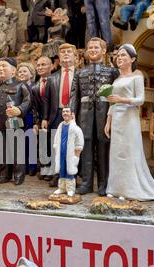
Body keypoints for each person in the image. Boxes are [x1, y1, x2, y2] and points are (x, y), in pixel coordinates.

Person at [104, 44, 154, 201]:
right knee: (117, 152)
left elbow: (140, 100)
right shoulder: (117, 79)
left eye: (123, 55)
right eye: (118, 55)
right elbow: (112, 102)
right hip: (116, 117)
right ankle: (116, 187)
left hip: (129, 117)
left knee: (129, 151)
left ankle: (130, 188)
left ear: (132, 59)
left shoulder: (137, 77)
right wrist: (108, 120)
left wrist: (122, 99)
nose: (120, 58)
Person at [70, 37, 118, 196]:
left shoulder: (112, 71)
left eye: (96, 47)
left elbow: (116, 94)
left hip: (105, 113)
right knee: (86, 147)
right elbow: (74, 96)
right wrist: (71, 115)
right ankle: (86, 182)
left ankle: (104, 183)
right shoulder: (80, 72)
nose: (92, 50)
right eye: (90, 48)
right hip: (84, 114)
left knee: (104, 146)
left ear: (103, 51)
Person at [0, 57, 31, 185]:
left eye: (4, 66)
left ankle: (18, 175)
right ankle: (4, 174)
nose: (0, 69)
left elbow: (29, 101)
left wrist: (20, 109)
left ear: (13, 70)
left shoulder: (21, 85)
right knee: (1, 149)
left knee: (16, 149)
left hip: (14, 122)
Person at [43, 43, 79, 187]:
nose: (65, 54)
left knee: (73, 145)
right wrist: (45, 118)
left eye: (68, 52)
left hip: (74, 114)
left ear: (75, 56)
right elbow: (46, 100)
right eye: (62, 52)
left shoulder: (80, 74)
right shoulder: (52, 78)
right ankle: (56, 173)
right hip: (56, 114)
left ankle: (73, 174)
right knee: (56, 146)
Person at [53, 107, 84, 197]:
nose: (65, 113)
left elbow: (79, 140)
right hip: (61, 152)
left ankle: (70, 188)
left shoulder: (75, 128)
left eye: (67, 111)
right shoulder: (60, 126)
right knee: (62, 170)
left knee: (69, 171)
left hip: (70, 154)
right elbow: (56, 138)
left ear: (71, 114)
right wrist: (56, 148)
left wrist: (77, 152)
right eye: (63, 111)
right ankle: (62, 188)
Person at [32, 56, 52, 180]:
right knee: (43, 143)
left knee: (52, 144)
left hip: (53, 117)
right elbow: (34, 106)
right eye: (38, 65)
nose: (40, 67)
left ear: (51, 66)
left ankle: (52, 170)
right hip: (41, 119)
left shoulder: (55, 81)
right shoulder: (35, 87)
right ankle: (45, 168)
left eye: (43, 64)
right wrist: (36, 122)